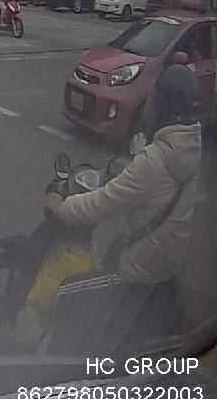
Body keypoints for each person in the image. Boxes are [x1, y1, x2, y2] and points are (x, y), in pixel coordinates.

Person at [42, 64, 201, 344]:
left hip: (141, 268)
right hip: (169, 261)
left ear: (163, 105)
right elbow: (150, 188)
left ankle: (71, 364)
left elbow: (102, 203)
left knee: (67, 292)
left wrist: (61, 207)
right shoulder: (190, 150)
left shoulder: (155, 160)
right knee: (113, 249)